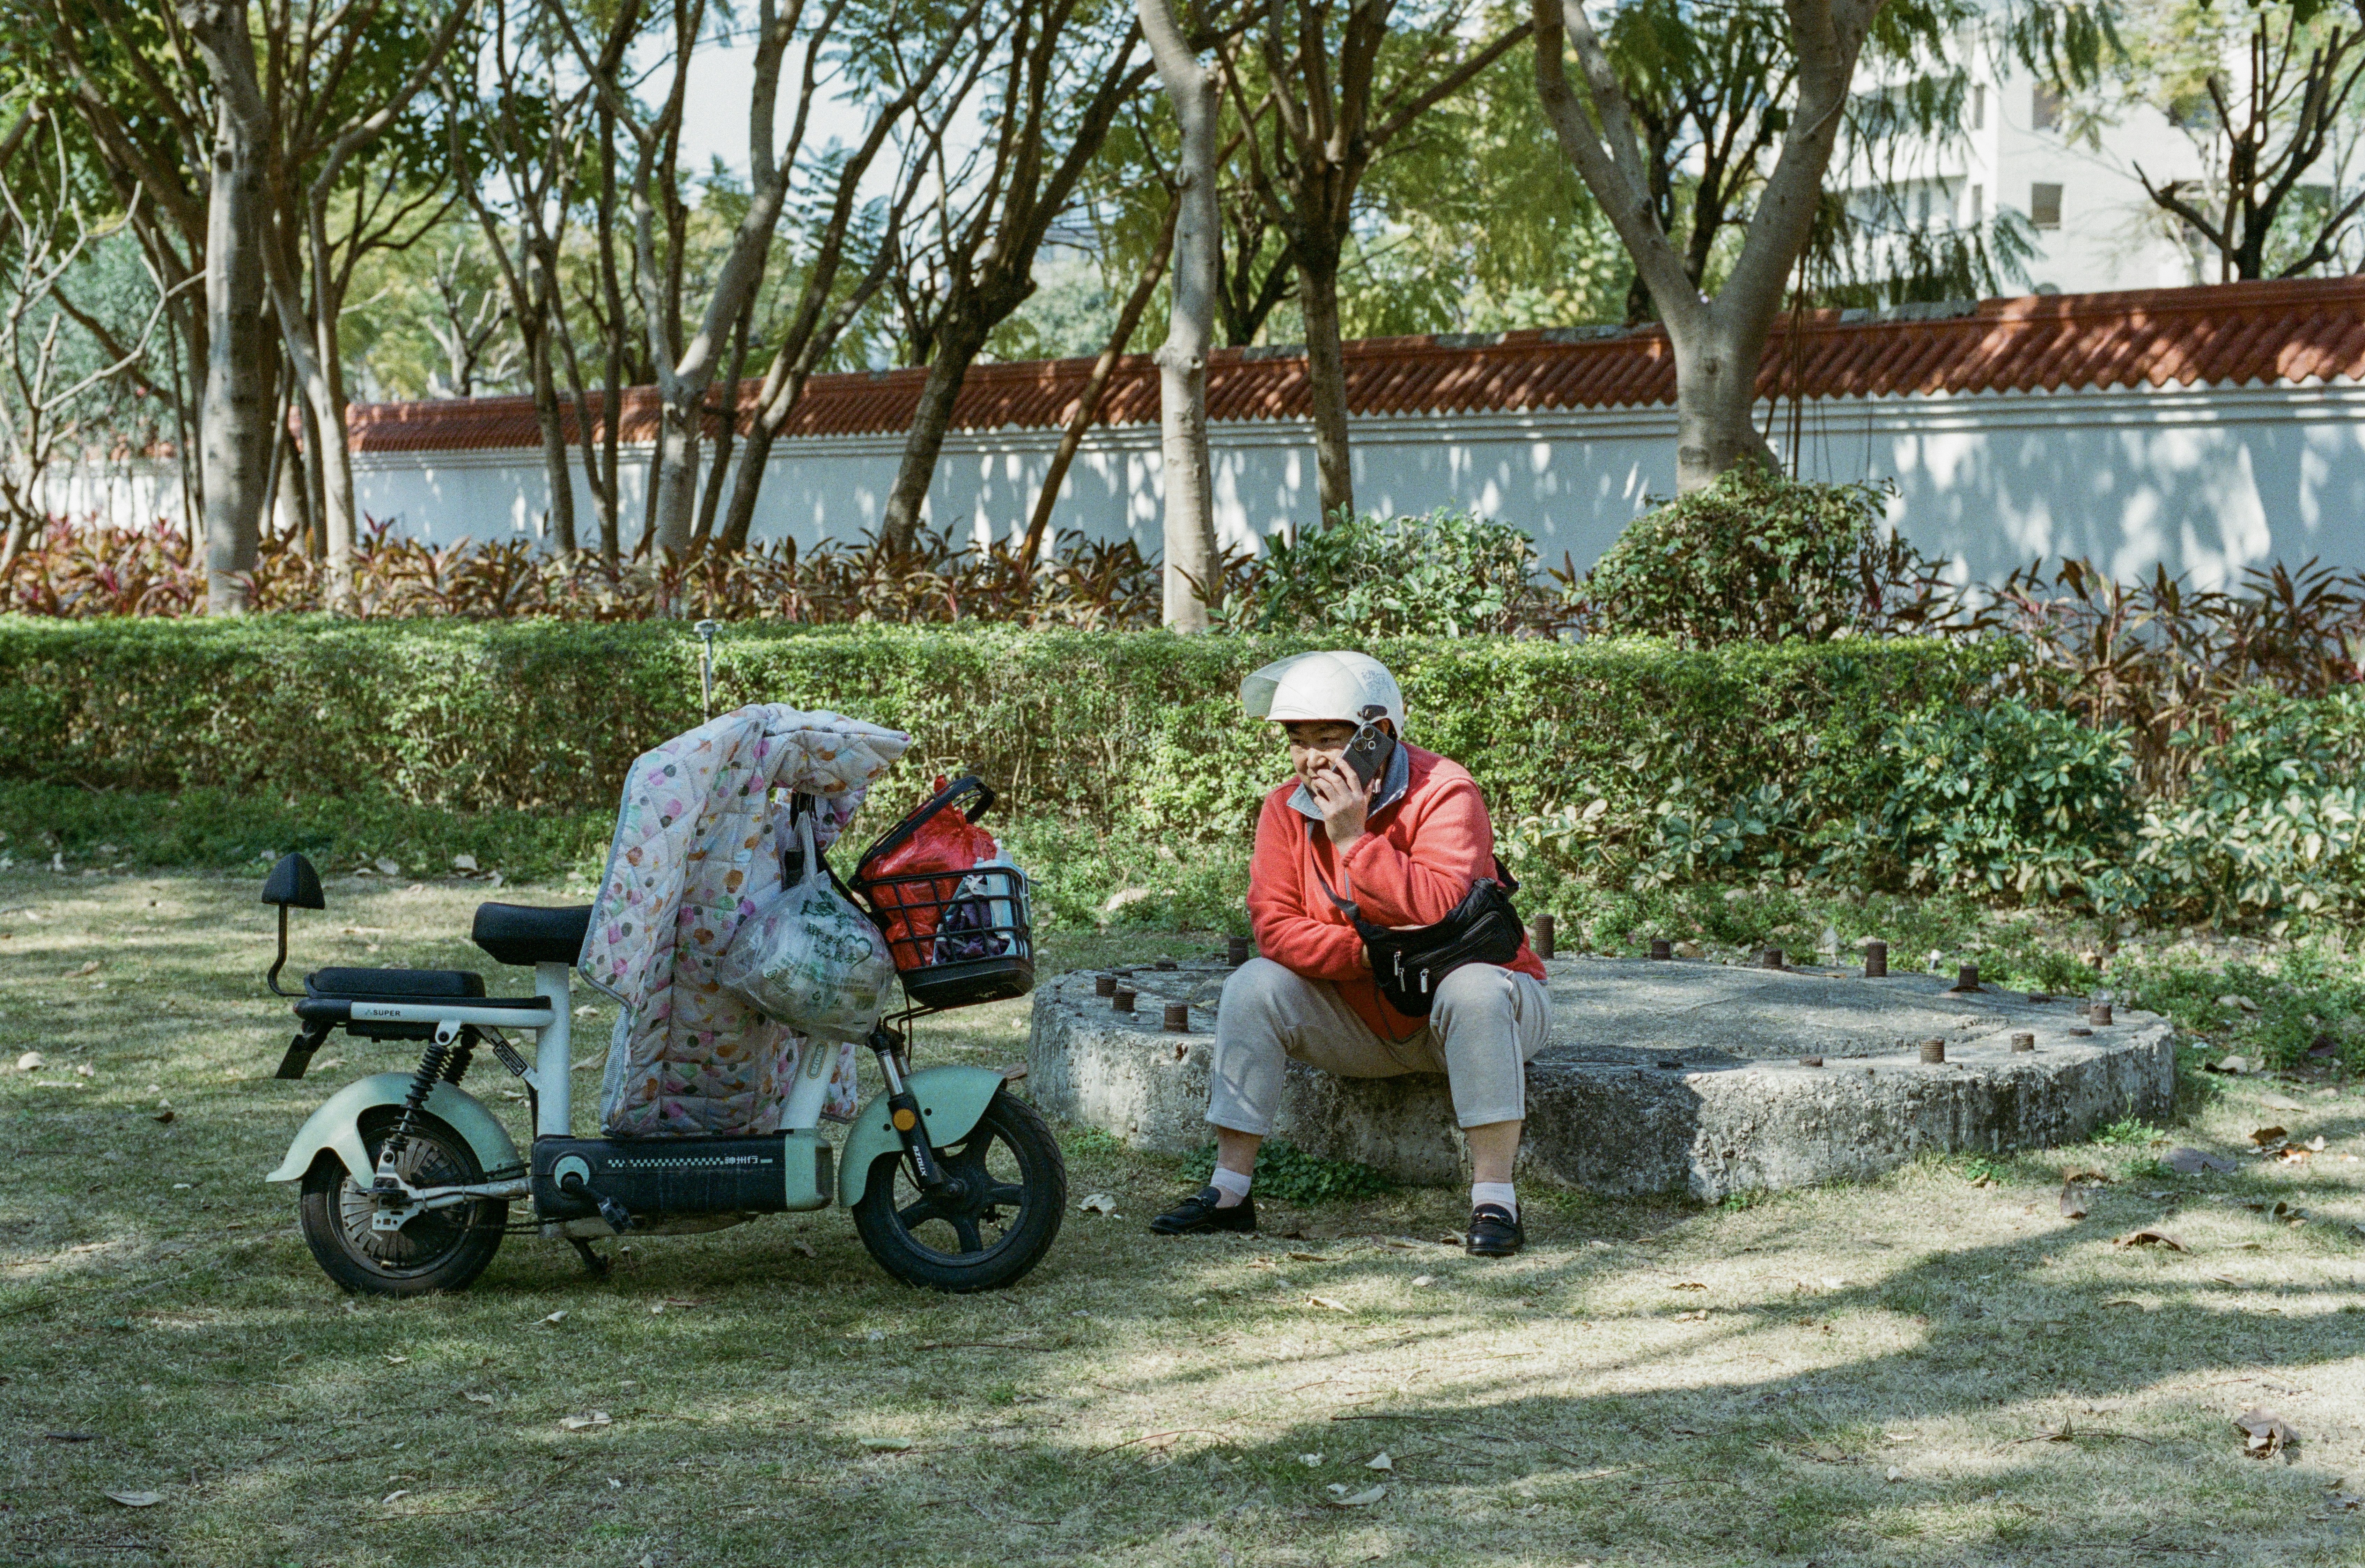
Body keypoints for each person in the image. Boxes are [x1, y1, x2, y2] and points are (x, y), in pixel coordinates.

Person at [1150, 652, 1552, 1257]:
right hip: (1363, 1015)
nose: (1311, 758)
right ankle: (1228, 1192)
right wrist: (1367, 958)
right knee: (1253, 984)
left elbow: (1442, 908)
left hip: (1478, 1013)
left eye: (1329, 738)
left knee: (1473, 987)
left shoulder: (1446, 790)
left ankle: (1494, 1199)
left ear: (1377, 735)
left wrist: (1352, 839)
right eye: (1297, 739)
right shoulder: (1283, 808)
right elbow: (1275, 930)